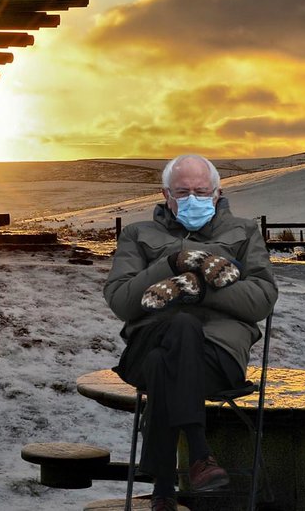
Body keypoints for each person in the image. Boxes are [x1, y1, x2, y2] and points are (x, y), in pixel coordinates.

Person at [103, 153, 277, 511]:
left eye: (201, 191)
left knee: (161, 362)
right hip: (147, 340)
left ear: (217, 192)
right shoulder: (138, 234)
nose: (193, 199)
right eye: (183, 192)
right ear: (166, 194)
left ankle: (163, 489)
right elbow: (121, 300)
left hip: (217, 356)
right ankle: (199, 453)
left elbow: (261, 300)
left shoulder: (244, 232)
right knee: (177, 330)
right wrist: (169, 264)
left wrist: (201, 288)